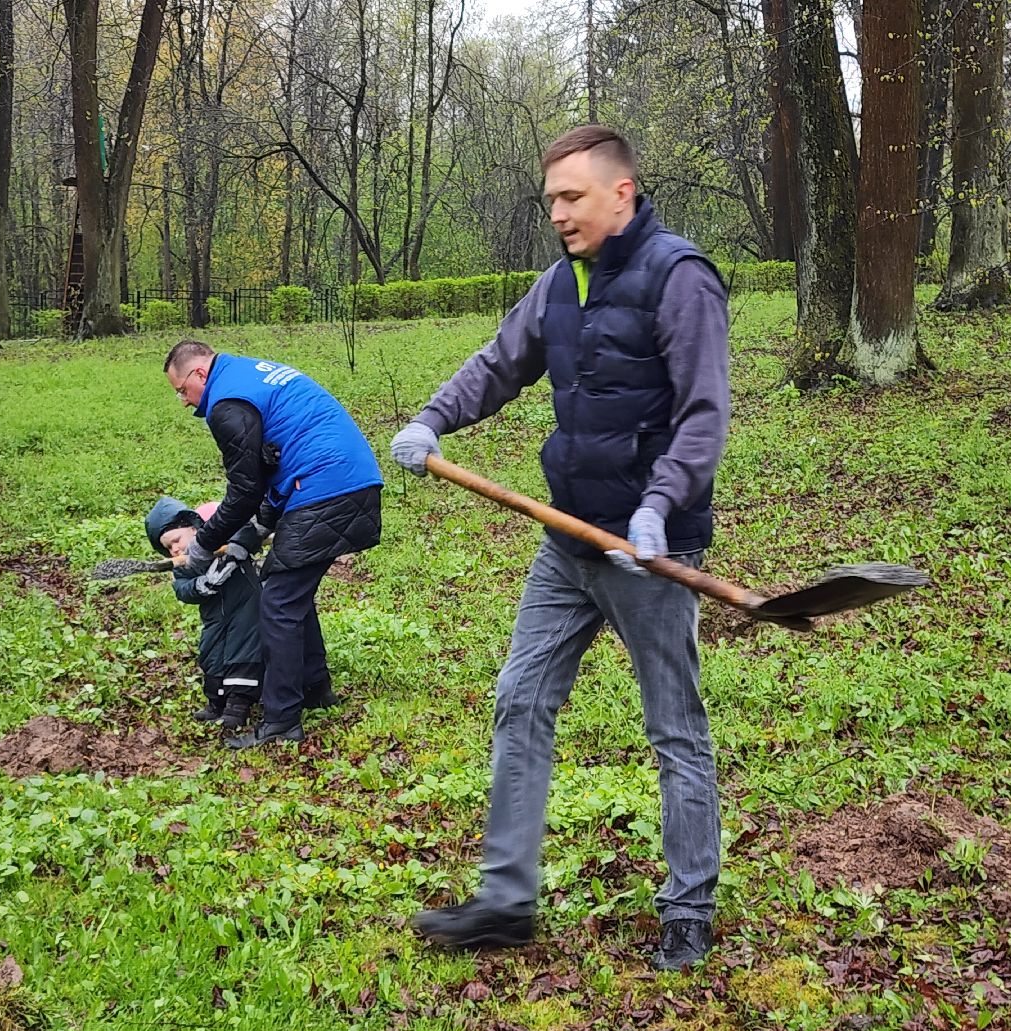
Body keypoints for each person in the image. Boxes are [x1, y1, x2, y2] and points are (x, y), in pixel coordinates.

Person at [389, 125, 730, 971]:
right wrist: (434, 416)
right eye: (550, 200)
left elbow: (703, 415)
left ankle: (689, 909)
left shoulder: (680, 279)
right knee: (520, 698)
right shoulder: (559, 283)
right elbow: (499, 364)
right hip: (568, 541)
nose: (558, 214)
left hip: (645, 552)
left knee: (674, 730)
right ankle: (506, 900)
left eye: (571, 197)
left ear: (622, 192)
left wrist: (657, 508)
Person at [165, 340, 383, 749]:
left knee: (278, 602)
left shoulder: (225, 402)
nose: (183, 401)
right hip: (344, 479)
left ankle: (282, 720)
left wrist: (201, 547)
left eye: (181, 390)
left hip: (325, 487)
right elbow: (274, 462)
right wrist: (257, 530)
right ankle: (316, 689)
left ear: (198, 374)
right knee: (289, 589)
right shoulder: (249, 374)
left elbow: (244, 489)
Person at [144, 496, 265, 731]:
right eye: (168, 547)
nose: (175, 548)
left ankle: (237, 707)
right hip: (214, 617)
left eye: (176, 540)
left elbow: (249, 532)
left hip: (246, 609)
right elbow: (182, 589)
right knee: (211, 654)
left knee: (242, 653)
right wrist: (203, 583)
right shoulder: (184, 566)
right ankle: (215, 702)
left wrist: (235, 553)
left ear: (193, 527)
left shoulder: (220, 537)